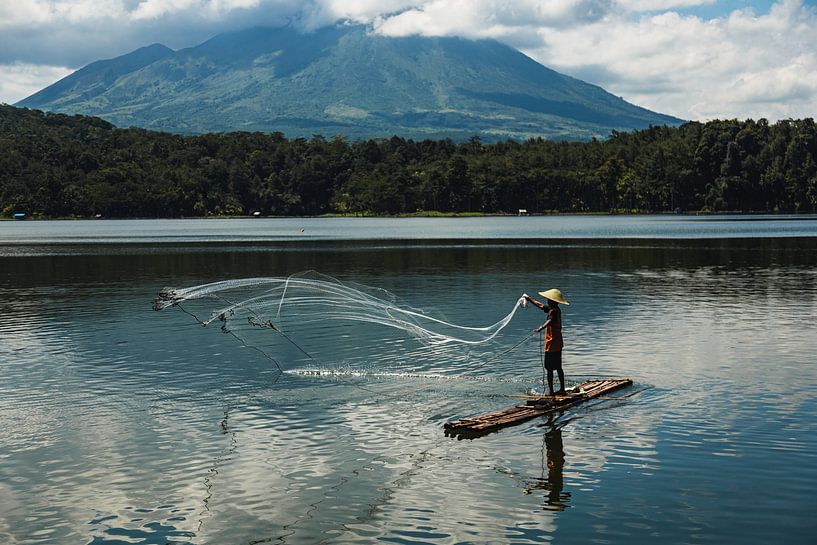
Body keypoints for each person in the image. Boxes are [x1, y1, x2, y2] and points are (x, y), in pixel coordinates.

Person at [523, 289, 569, 396]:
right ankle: (562, 389)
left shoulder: (553, 311)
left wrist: (541, 327)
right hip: (557, 343)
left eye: (549, 299)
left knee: (549, 368)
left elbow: (550, 320)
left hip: (552, 344)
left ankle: (551, 391)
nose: (547, 301)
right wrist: (529, 299)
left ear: (553, 301)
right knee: (558, 367)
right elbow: (541, 305)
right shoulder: (554, 309)